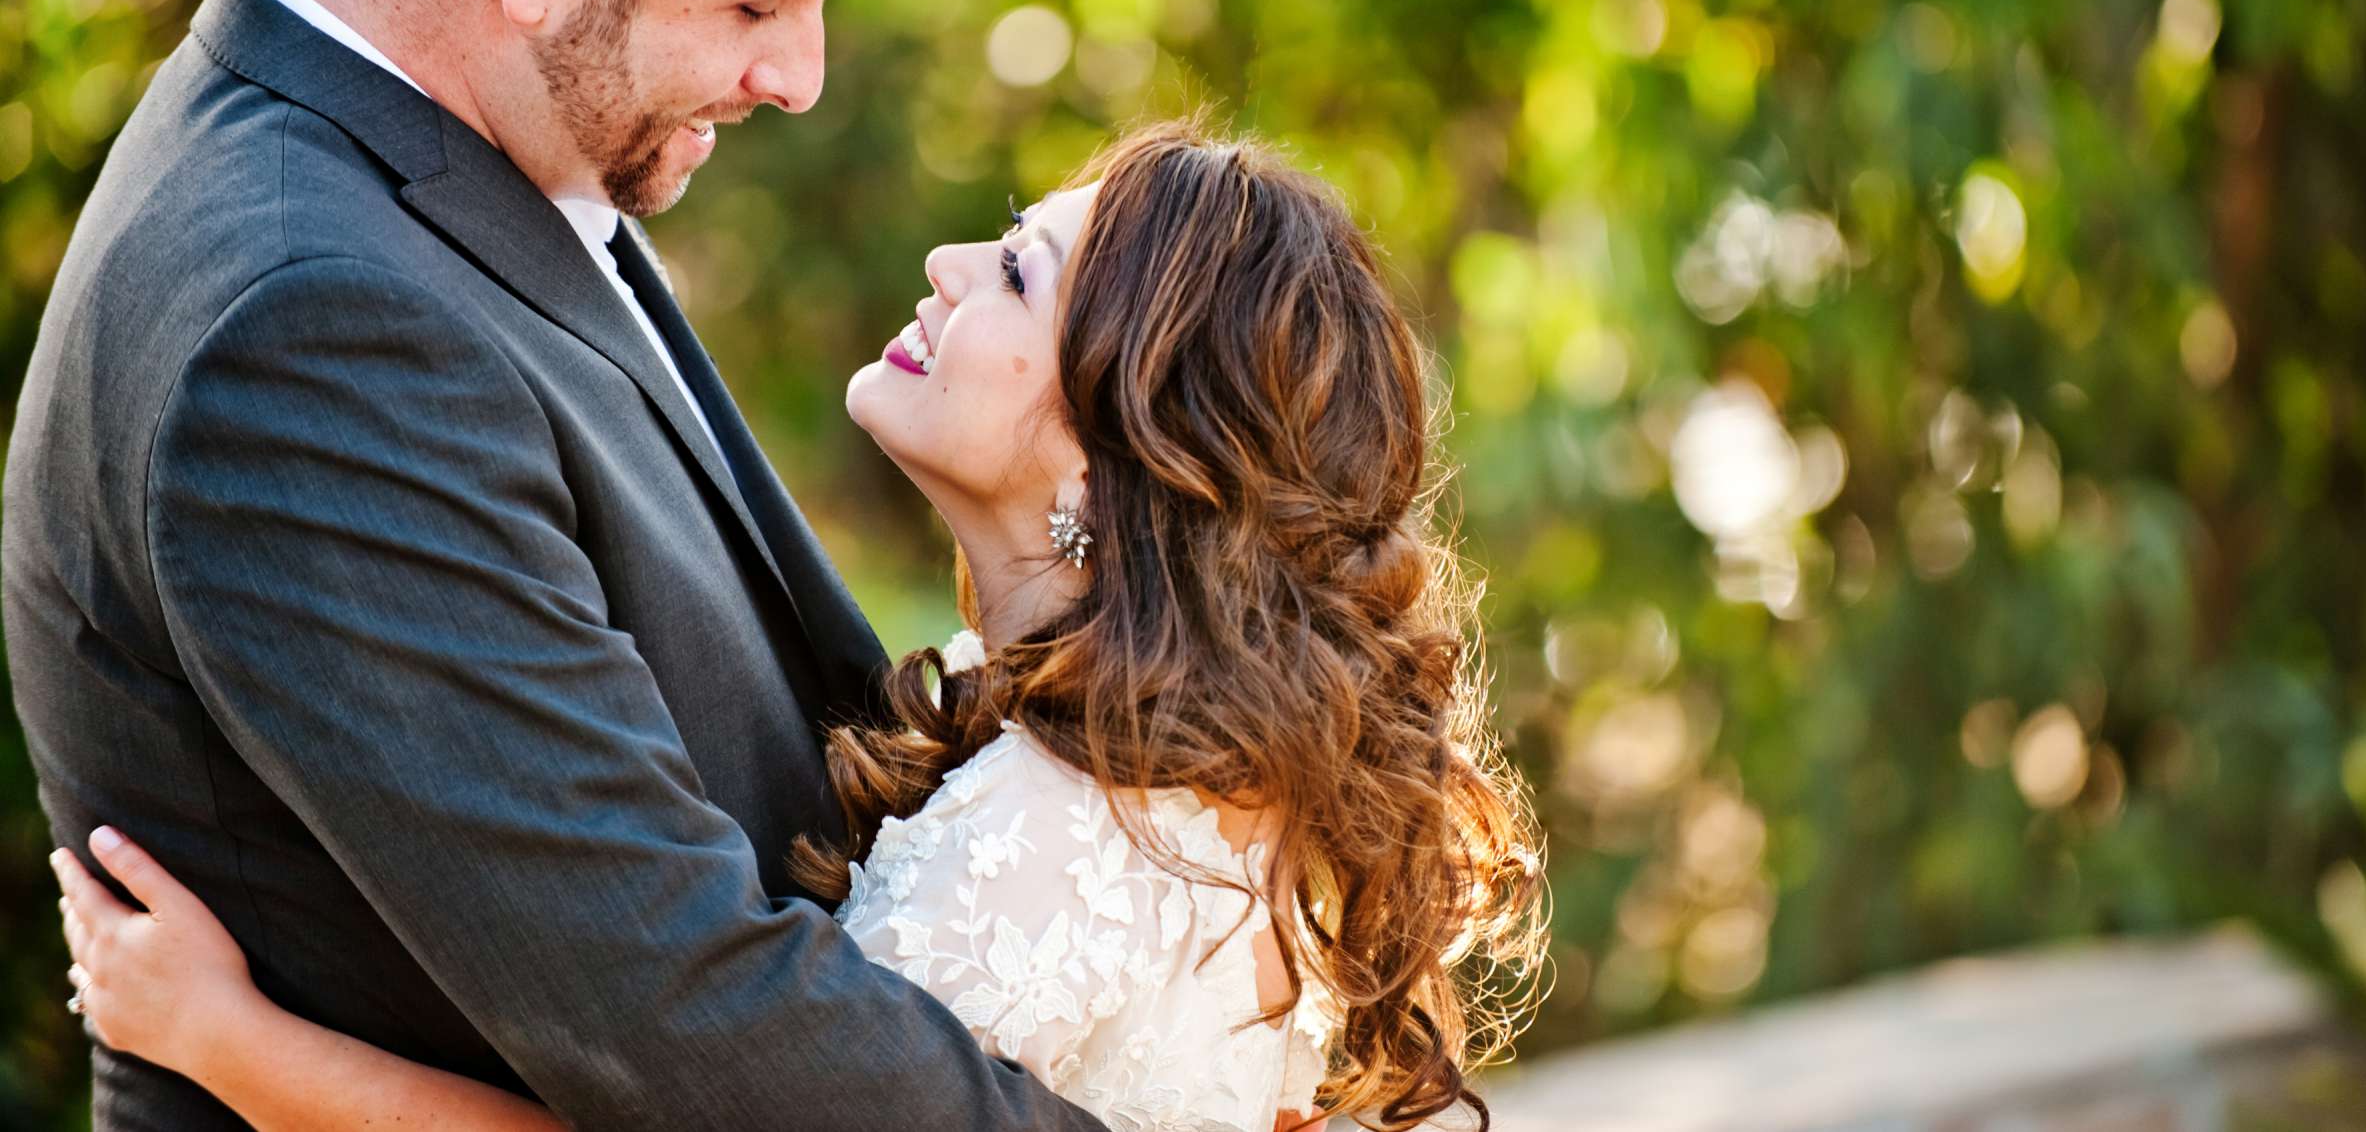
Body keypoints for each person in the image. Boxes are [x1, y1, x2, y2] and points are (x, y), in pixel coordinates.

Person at [3, 0, 1105, 1130]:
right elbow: (676, 1011)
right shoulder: (304, 330)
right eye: (759, 4)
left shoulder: (477, 148)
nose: (799, 76)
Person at [53, 124, 1547, 1129]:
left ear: (1113, 448)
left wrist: (227, 1046)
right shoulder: (1177, 781)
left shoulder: (1062, 828)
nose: (951, 270)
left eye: (1015, 273)